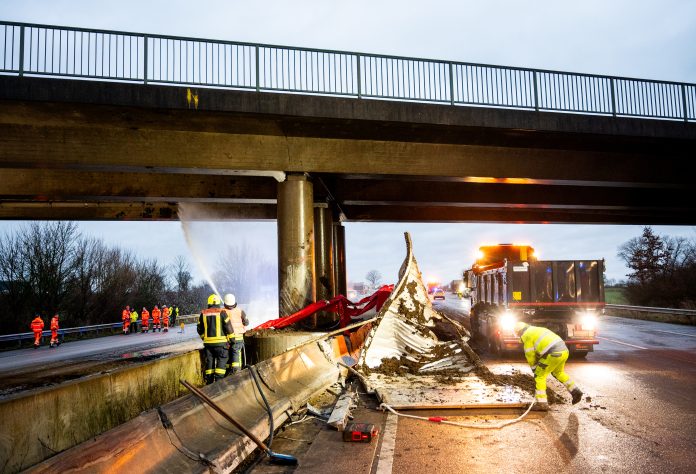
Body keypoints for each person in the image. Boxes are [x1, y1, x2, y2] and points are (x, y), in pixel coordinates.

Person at [513, 322, 584, 411]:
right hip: (564, 351)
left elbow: (530, 355)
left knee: (539, 376)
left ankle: (542, 403)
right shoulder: (537, 329)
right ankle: (575, 391)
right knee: (558, 373)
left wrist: (534, 368)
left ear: (519, 332)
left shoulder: (527, 335)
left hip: (553, 353)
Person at [197, 294, 234, 384]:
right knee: (222, 362)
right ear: (218, 302)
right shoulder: (222, 313)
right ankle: (218, 382)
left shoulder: (203, 314)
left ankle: (209, 382)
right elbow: (228, 327)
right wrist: (232, 340)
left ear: (209, 303)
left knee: (210, 364)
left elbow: (199, 329)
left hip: (208, 346)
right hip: (221, 345)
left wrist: (204, 338)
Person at [222, 293, 249, 375]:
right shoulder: (240, 311)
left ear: (225, 303)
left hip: (227, 339)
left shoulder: (222, 312)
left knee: (228, 355)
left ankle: (228, 372)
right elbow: (247, 322)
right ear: (235, 303)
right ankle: (237, 372)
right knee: (236, 354)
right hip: (239, 338)